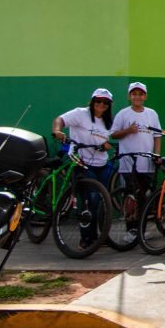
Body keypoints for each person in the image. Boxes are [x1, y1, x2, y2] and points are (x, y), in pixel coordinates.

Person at [51, 88, 114, 249]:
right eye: (98, 101)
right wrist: (57, 131)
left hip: (102, 163)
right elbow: (60, 120)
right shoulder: (80, 114)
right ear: (92, 101)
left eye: (106, 102)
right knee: (89, 200)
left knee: (100, 201)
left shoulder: (108, 121)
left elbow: (107, 141)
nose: (102, 105)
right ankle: (86, 239)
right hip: (82, 161)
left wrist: (106, 146)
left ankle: (100, 236)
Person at [110, 82, 162, 242]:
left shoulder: (152, 114)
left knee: (144, 198)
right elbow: (113, 134)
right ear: (129, 96)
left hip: (147, 163)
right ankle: (130, 231)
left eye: (140, 94)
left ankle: (141, 230)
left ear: (145, 96)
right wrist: (128, 131)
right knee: (130, 198)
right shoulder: (123, 114)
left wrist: (157, 154)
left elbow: (157, 136)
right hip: (128, 163)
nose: (137, 97)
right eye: (134, 94)